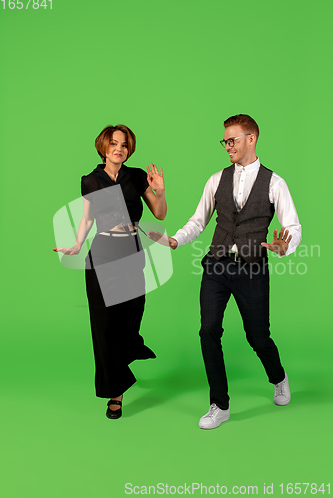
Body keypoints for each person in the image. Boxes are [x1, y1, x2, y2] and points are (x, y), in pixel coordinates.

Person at [149, 114, 301, 429]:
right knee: (208, 331)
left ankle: (278, 377)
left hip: (253, 268)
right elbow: (198, 220)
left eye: (232, 140)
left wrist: (285, 246)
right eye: (225, 141)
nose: (227, 146)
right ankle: (220, 404)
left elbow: (292, 227)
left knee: (258, 337)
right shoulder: (216, 179)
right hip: (217, 264)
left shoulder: (275, 182)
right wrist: (176, 239)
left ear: (251, 138)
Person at [54, 124, 166, 419]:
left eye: (125, 145)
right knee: (104, 327)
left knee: (132, 313)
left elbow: (159, 213)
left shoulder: (137, 177)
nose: (119, 149)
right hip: (102, 254)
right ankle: (115, 394)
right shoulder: (91, 181)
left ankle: (130, 347)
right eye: (114, 143)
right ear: (103, 147)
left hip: (130, 251)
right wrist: (78, 244)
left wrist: (160, 192)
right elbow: (87, 218)